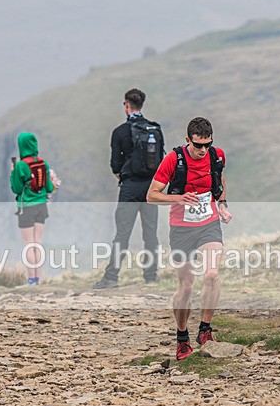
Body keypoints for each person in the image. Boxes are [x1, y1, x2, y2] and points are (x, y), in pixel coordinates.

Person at [146, 117, 233, 361]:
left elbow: (220, 181)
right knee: (186, 286)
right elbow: (151, 195)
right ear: (188, 140)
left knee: (212, 274)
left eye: (207, 144)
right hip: (181, 228)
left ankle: (205, 330)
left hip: (208, 224)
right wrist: (179, 198)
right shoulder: (173, 160)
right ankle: (182, 337)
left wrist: (222, 205)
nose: (203, 150)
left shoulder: (217, 156)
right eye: (198, 145)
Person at [93, 88, 162, 289]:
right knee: (150, 233)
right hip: (150, 189)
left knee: (122, 233)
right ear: (142, 104)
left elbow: (115, 166)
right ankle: (151, 276)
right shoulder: (154, 130)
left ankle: (112, 277)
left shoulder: (120, 132)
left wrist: (127, 176)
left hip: (130, 188)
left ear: (126, 105)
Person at [10, 132, 54, 285]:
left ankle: (31, 279)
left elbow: (16, 189)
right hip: (41, 206)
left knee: (29, 244)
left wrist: (12, 172)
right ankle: (38, 278)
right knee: (38, 242)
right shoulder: (44, 163)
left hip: (26, 207)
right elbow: (49, 187)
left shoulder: (21, 166)